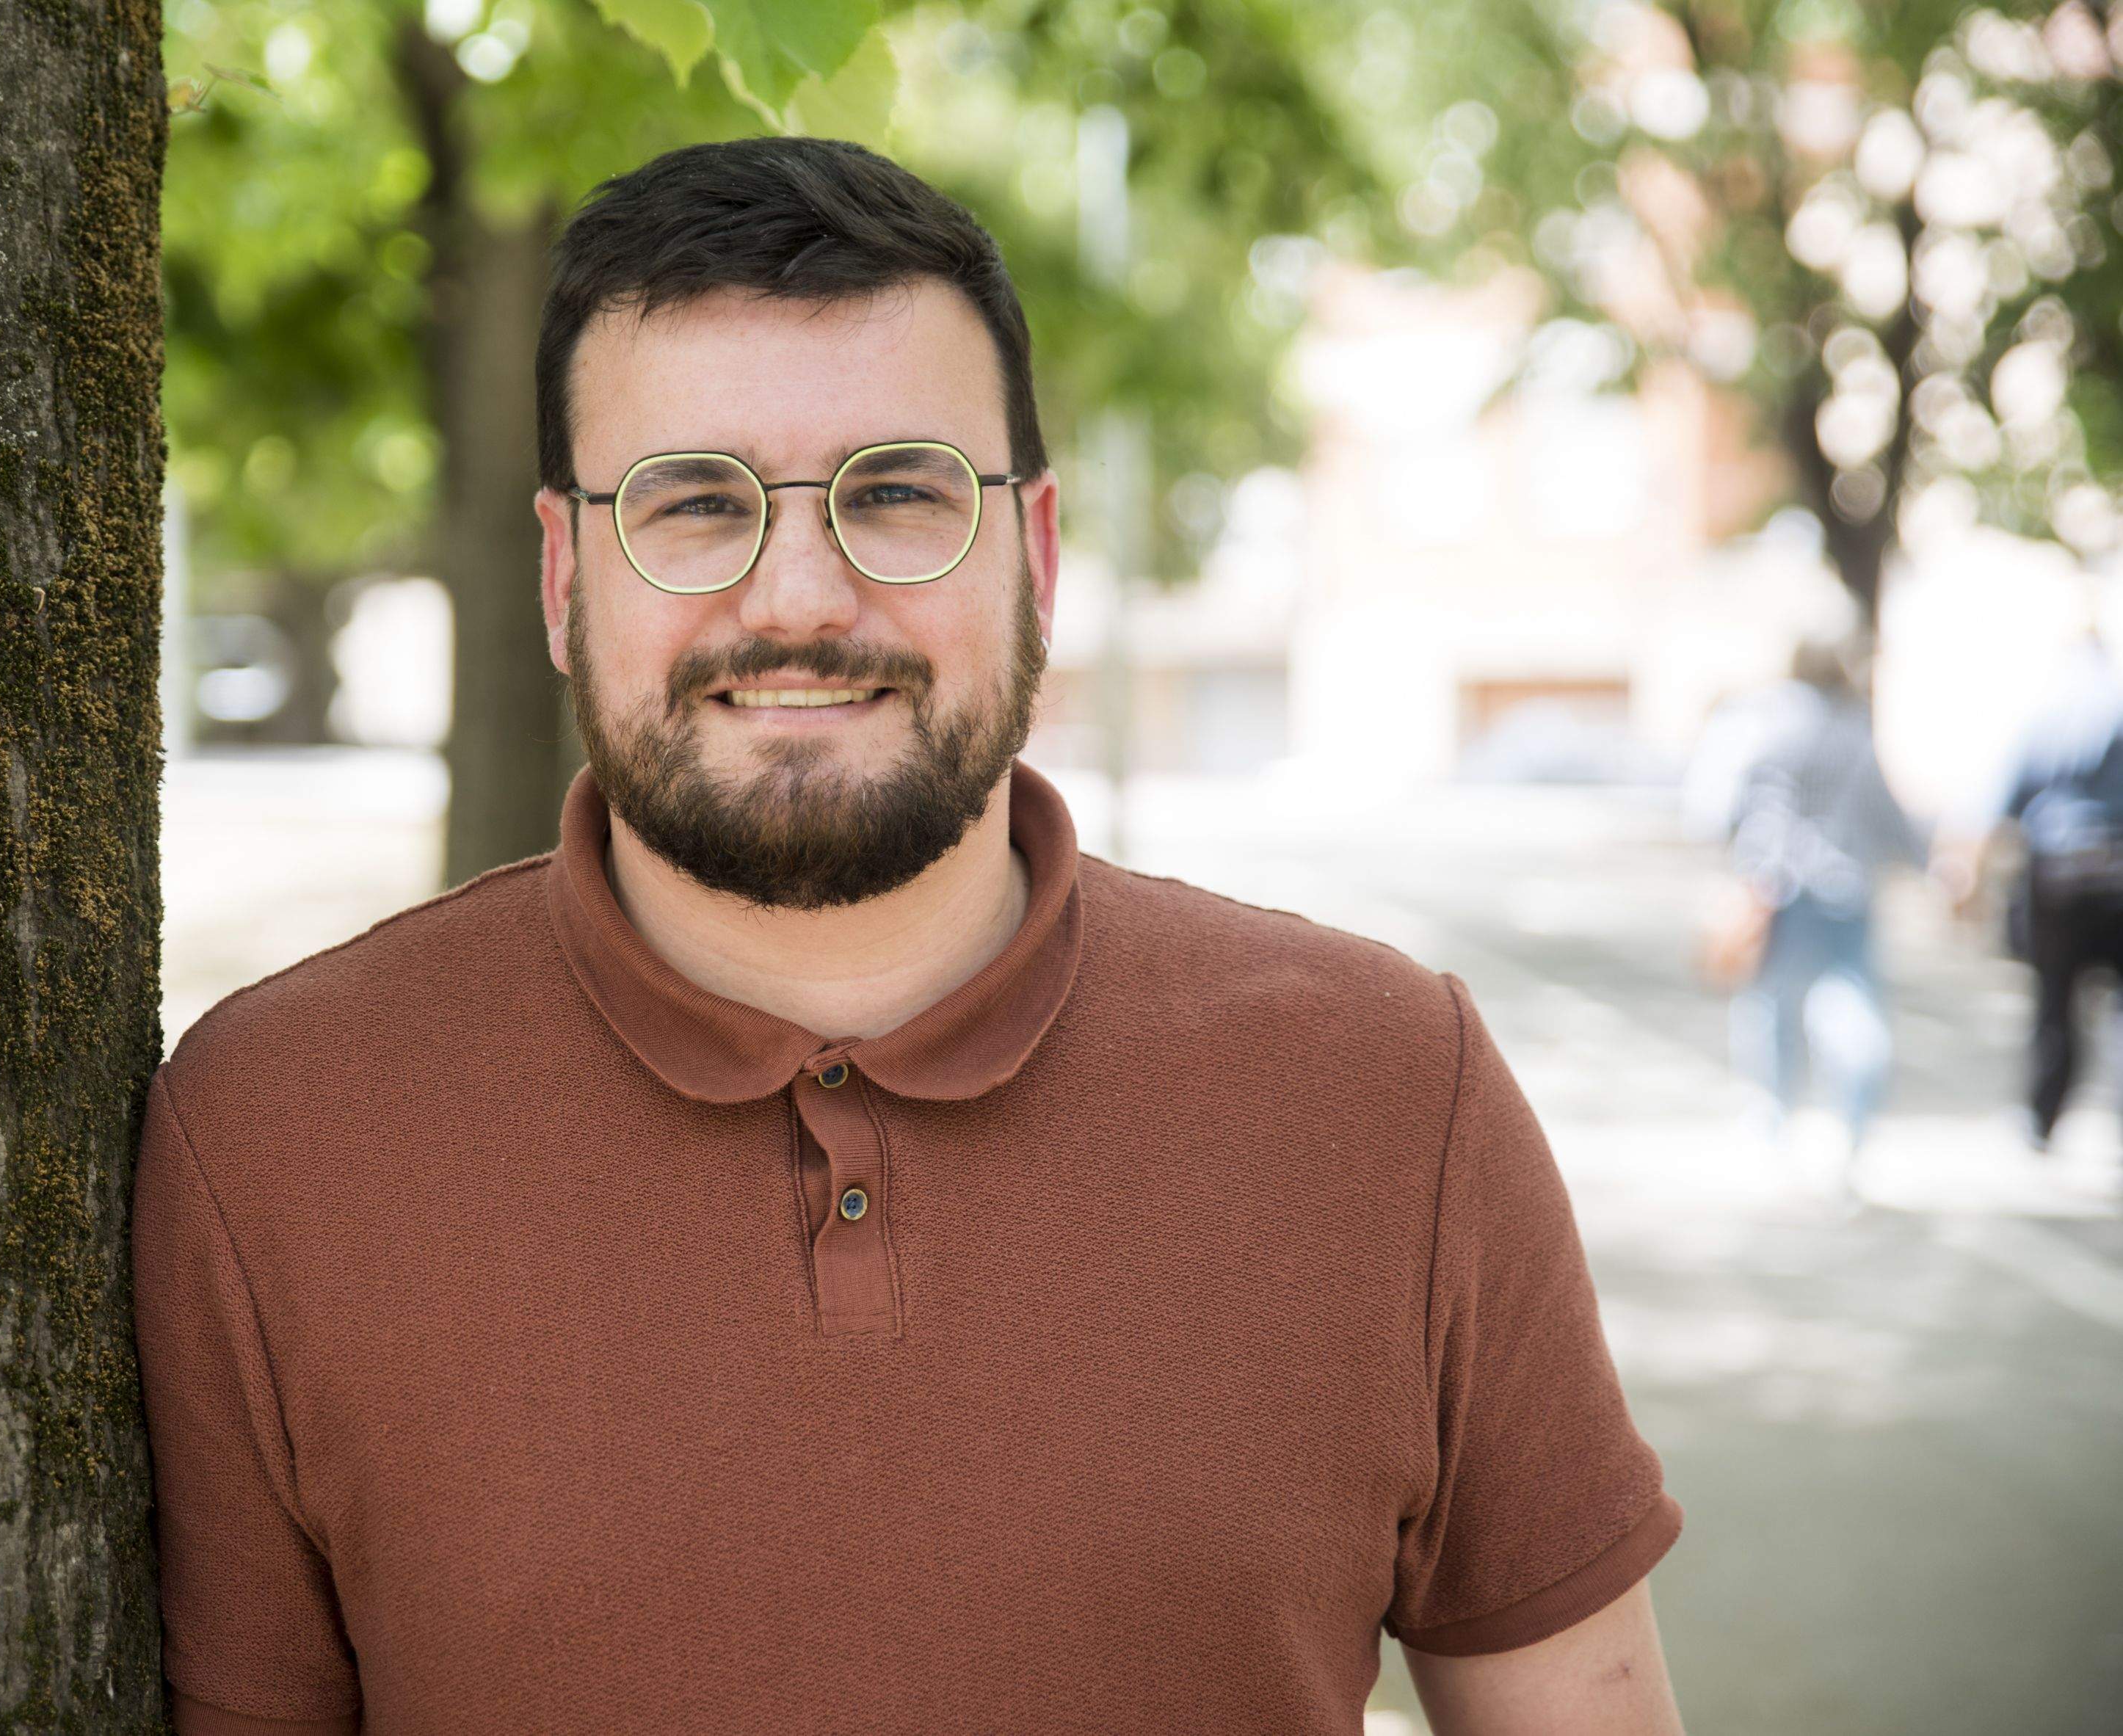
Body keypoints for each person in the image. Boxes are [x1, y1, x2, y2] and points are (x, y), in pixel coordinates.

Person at [131, 137, 1685, 1736]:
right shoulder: (270, 1137)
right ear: (559, 572)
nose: (800, 599)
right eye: (692, 504)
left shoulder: (1389, 1093)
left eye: (894, 494)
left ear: (1037, 556)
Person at [1714, 634, 1930, 1188]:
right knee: (1851, 1006)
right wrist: (1922, 860)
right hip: (1845, 883)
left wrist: (1738, 854)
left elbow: (1728, 802)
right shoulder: (1853, 727)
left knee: (1770, 1009)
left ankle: (1771, 1123)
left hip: (1777, 885)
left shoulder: (1766, 721)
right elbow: (1885, 809)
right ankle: (1852, 1129)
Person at [1933, 623, 2123, 1151]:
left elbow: (1994, 800)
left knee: (2053, 1000)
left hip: (2059, 876)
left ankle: (2042, 1120)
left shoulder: (2046, 711)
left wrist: (1964, 876)